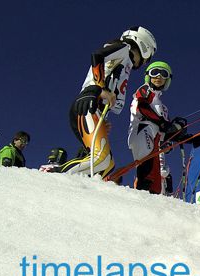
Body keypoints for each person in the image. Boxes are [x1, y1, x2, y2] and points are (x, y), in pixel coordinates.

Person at [61, 26, 157, 178]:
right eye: (148, 57)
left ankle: (79, 190)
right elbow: (98, 55)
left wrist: (103, 120)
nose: (145, 62)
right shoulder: (124, 48)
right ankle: (53, 174)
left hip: (96, 110)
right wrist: (101, 88)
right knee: (101, 159)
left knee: (107, 165)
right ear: (144, 45)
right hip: (89, 101)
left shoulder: (126, 64)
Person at [128, 61, 200, 195]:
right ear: (148, 76)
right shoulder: (145, 90)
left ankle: (149, 201)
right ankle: (141, 198)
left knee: (156, 183)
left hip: (155, 139)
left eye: (163, 74)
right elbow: (142, 107)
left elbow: (169, 134)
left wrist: (199, 138)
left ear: (167, 80)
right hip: (142, 130)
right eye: (154, 72)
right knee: (147, 173)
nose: (158, 76)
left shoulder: (163, 108)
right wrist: (165, 124)